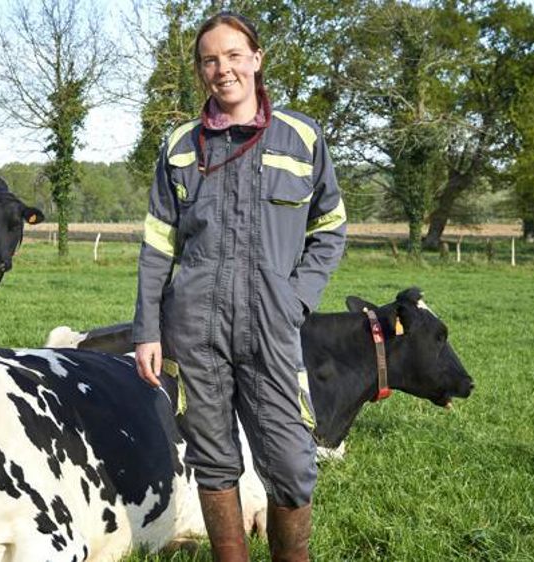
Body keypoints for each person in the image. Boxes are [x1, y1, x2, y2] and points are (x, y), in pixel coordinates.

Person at [132, 11, 346, 562]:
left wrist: (296, 299)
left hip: (271, 326)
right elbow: (158, 246)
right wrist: (147, 329)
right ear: (201, 70)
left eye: (232, 55)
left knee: (293, 463)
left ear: (255, 59)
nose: (221, 69)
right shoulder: (180, 146)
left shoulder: (300, 138)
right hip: (195, 328)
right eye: (209, 59)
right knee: (213, 456)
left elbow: (330, 228)